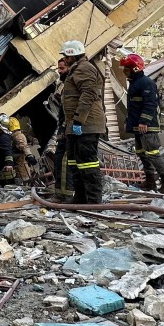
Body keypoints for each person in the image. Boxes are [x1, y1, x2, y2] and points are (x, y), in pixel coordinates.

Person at [119, 53, 164, 194]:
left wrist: (144, 121)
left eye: (127, 68)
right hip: (138, 126)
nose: (125, 71)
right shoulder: (135, 83)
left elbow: (150, 104)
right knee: (142, 153)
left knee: (152, 153)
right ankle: (150, 181)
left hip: (147, 126)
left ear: (135, 68)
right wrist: (129, 122)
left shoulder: (146, 83)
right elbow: (134, 106)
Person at [59, 40, 105, 204]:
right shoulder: (76, 69)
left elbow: (88, 94)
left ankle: (93, 201)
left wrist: (78, 120)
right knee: (74, 160)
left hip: (86, 124)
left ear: (71, 54)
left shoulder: (84, 68)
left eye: (66, 56)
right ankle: (80, 197)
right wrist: (69, 126)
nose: (64, 59)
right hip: (76, 125)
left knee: (87, 162)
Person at [44, 58, 72, 198]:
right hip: (63, 129)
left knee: (66, 162)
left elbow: (71, 111)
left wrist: (68, 128)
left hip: (69, 130)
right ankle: (61, 194)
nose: (59, 71)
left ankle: (67, 195)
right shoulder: (64, 84)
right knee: (60, 160)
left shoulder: (72, 85)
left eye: (62, 68)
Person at [7, 116, 37, 184]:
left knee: (23, 184)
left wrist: (29, 155)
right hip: (20, 167)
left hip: (21, 168)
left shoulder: (18, 136)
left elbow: (24, 146)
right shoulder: (18, 135)